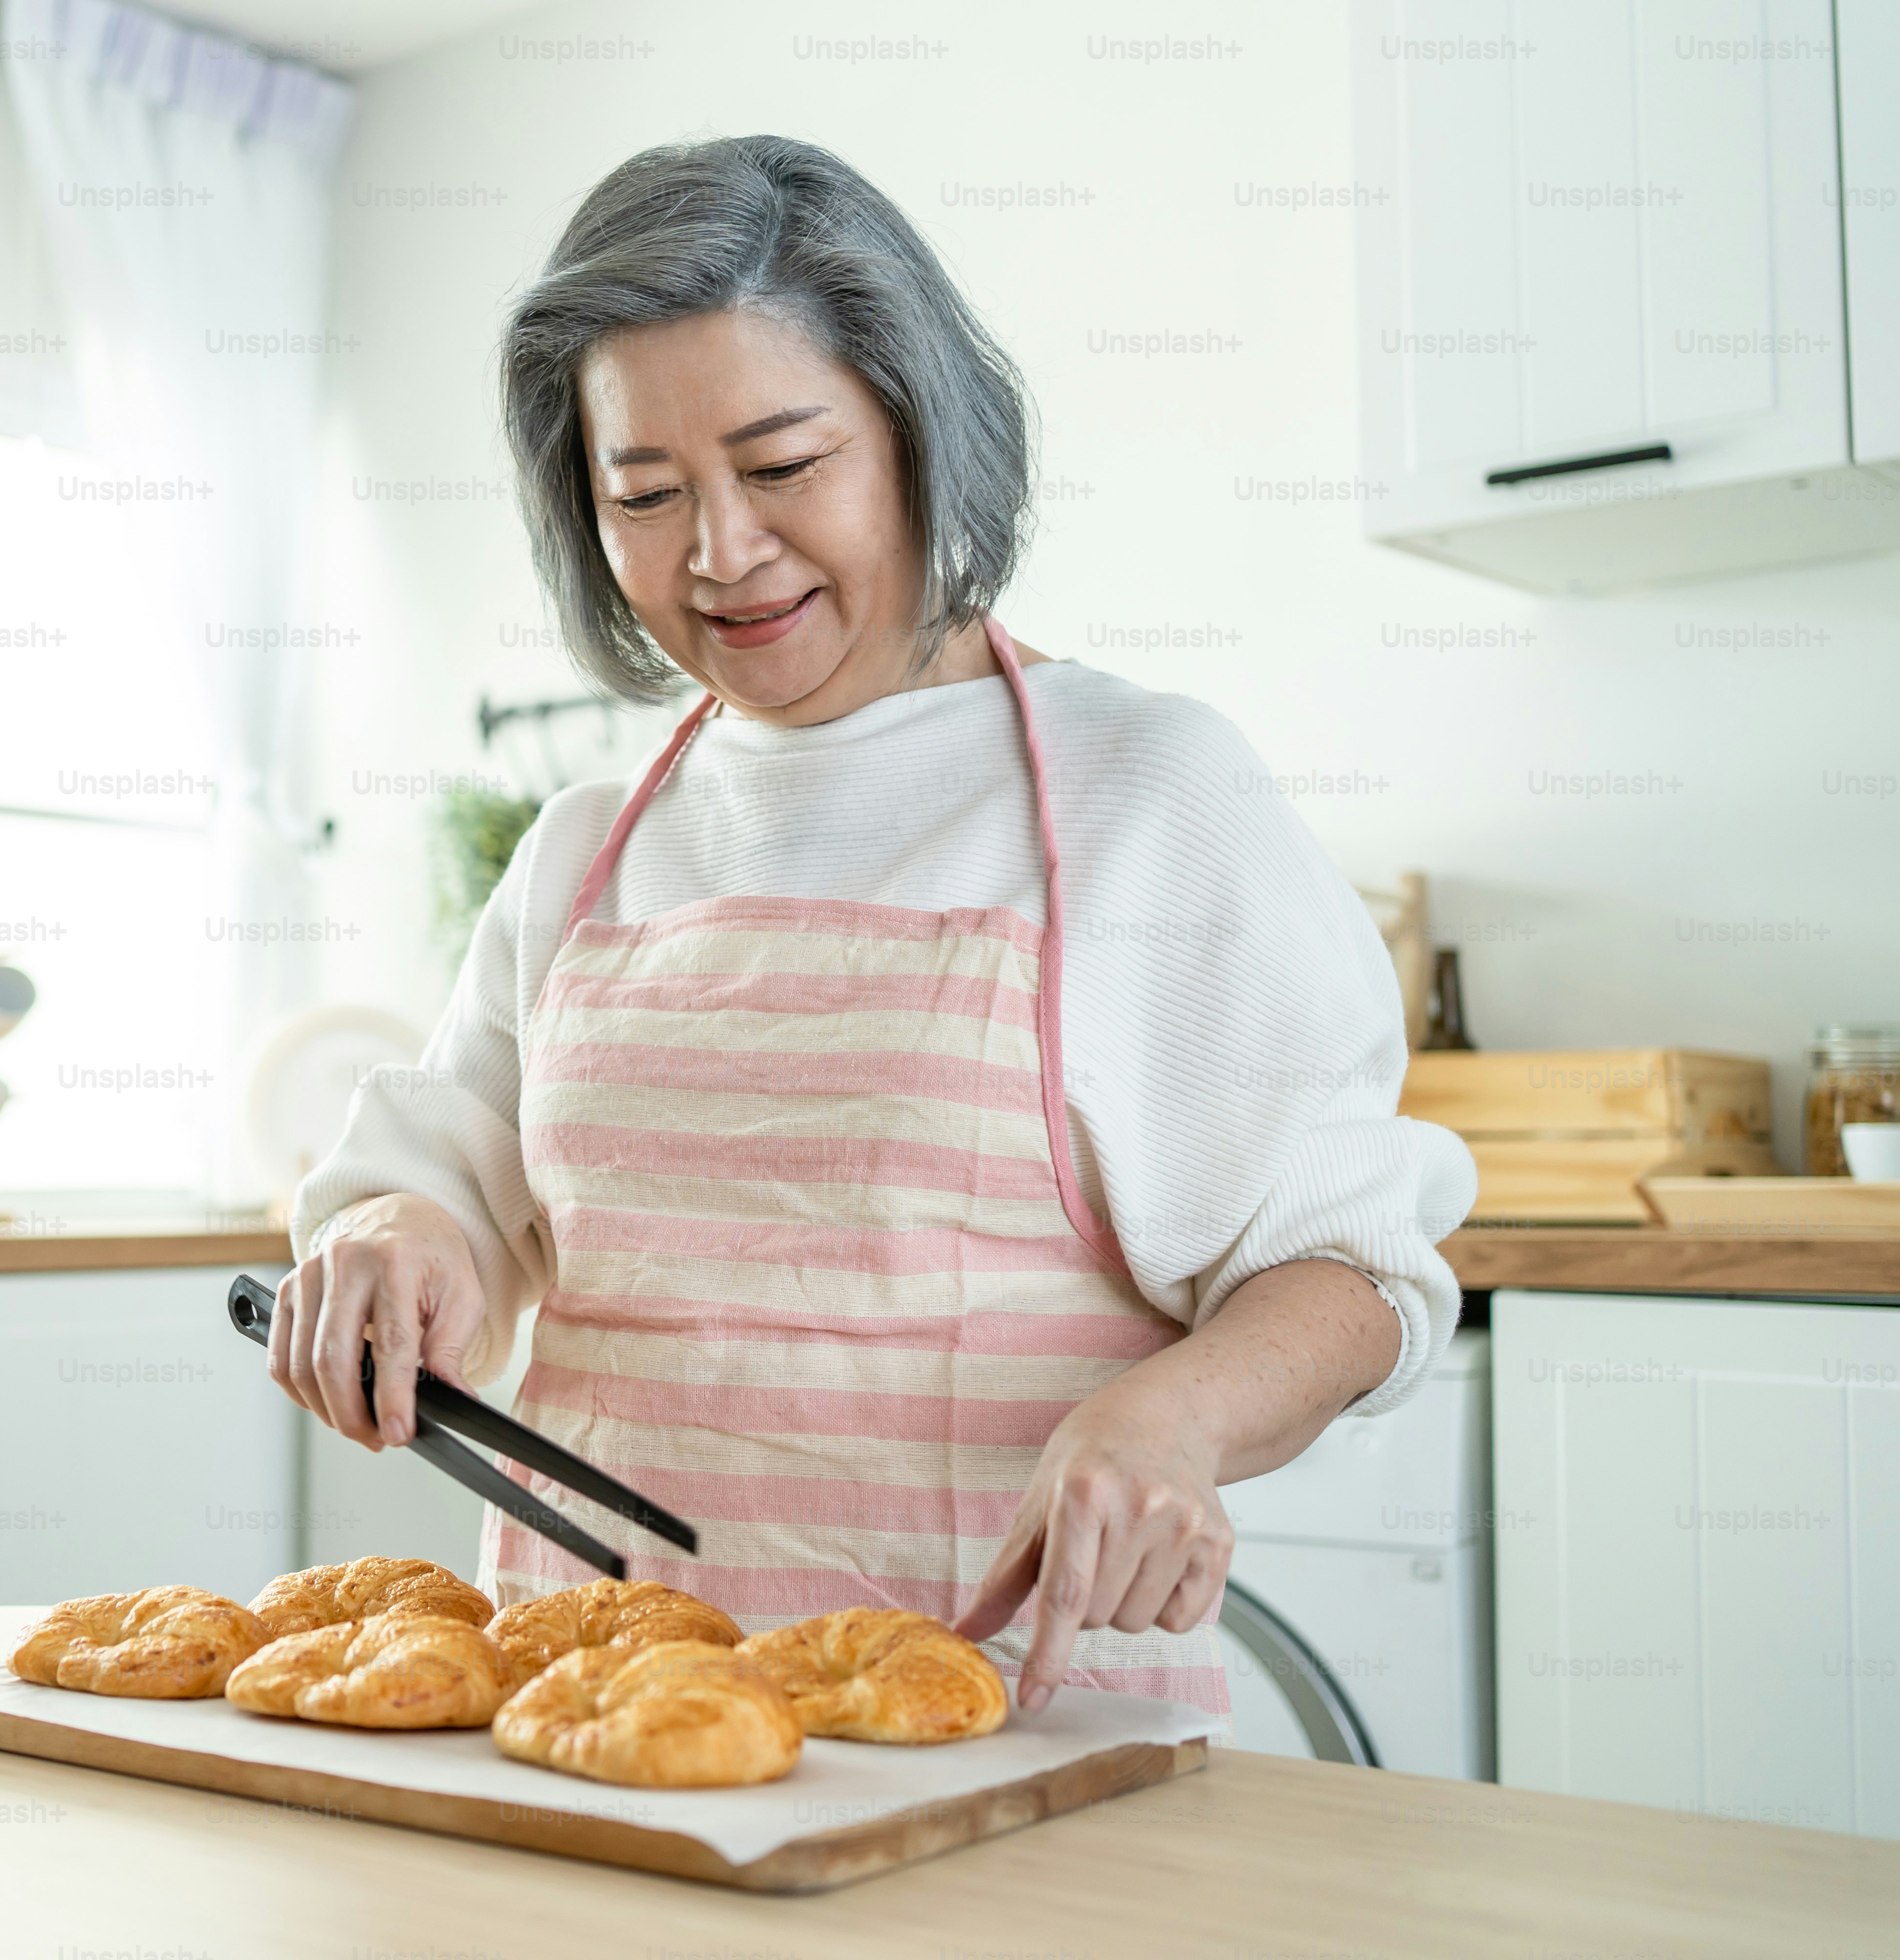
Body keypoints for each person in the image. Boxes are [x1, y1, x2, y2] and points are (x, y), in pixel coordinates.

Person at [271, 135, 1474, 1714]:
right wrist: (397, 1239)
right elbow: (455, 1194)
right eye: (646, 495)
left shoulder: (1145, 795)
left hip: (1009, 1758)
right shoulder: (583, 854)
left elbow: (1352, 1265)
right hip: (611, 1732)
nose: (721, 554)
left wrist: (1175, 1417)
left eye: (782, 467)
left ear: (919, 433)